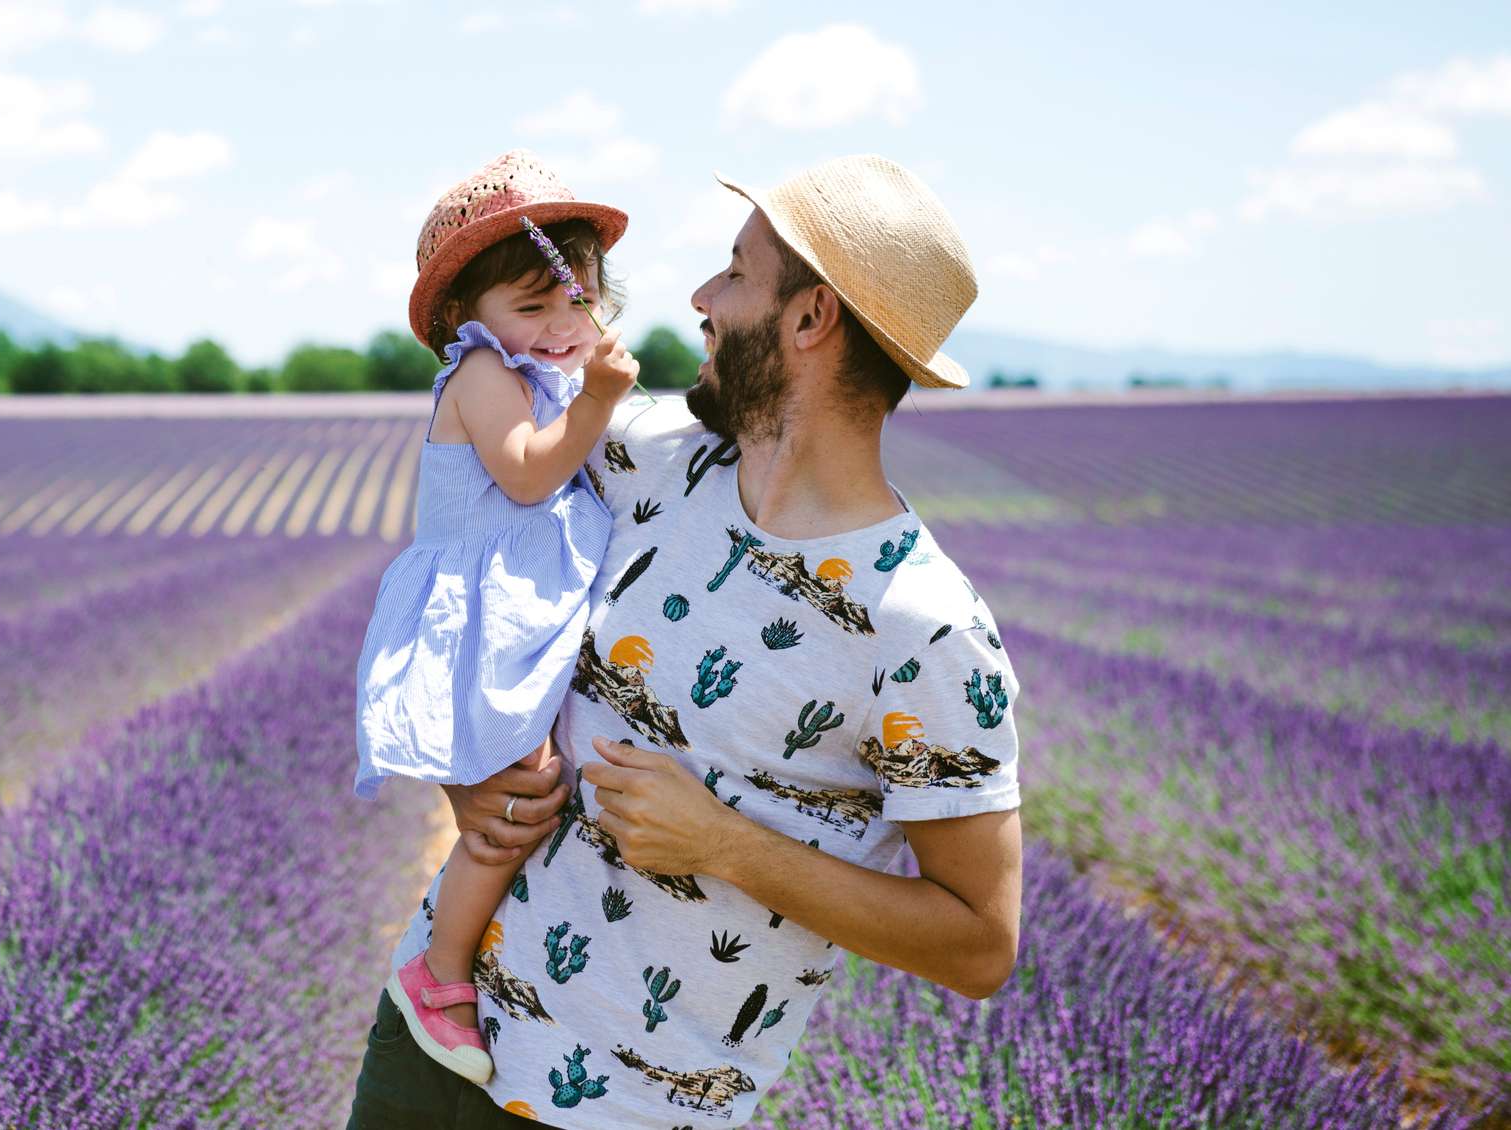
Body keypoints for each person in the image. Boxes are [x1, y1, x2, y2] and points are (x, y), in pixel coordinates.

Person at [346, 154, 1025, 1129]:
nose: (700, 296)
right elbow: (469, 562)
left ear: (809, 318)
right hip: (435, 1034)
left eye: (736, 272)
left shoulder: (928, 631)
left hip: (622, 1108)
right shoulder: (637, 453)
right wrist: (470, 770)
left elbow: (979, 946)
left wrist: (726, 844)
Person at [352, 149, 644, 1087]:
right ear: (464, 316)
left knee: (534, 791)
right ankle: (438, 976)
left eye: (579, 300)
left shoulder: (531, 369)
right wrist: (599, 399)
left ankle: (481, 960)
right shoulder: (483, 371)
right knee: (520, 795)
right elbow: (525, 475)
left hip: (519, 612)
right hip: (483, 621)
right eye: (532, 306)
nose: (562, 325)